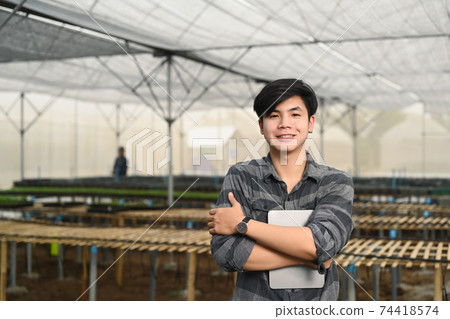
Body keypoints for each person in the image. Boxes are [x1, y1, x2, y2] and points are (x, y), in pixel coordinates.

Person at [208, 79, 354, 301]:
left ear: (310, 122)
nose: (285, 124)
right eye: (274, 116)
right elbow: (225, 253)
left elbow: (322, 244)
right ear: (261, 125)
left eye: (295, 115)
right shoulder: (241, 176)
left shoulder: (336, 182)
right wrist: (307, 258)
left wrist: (244, 224)